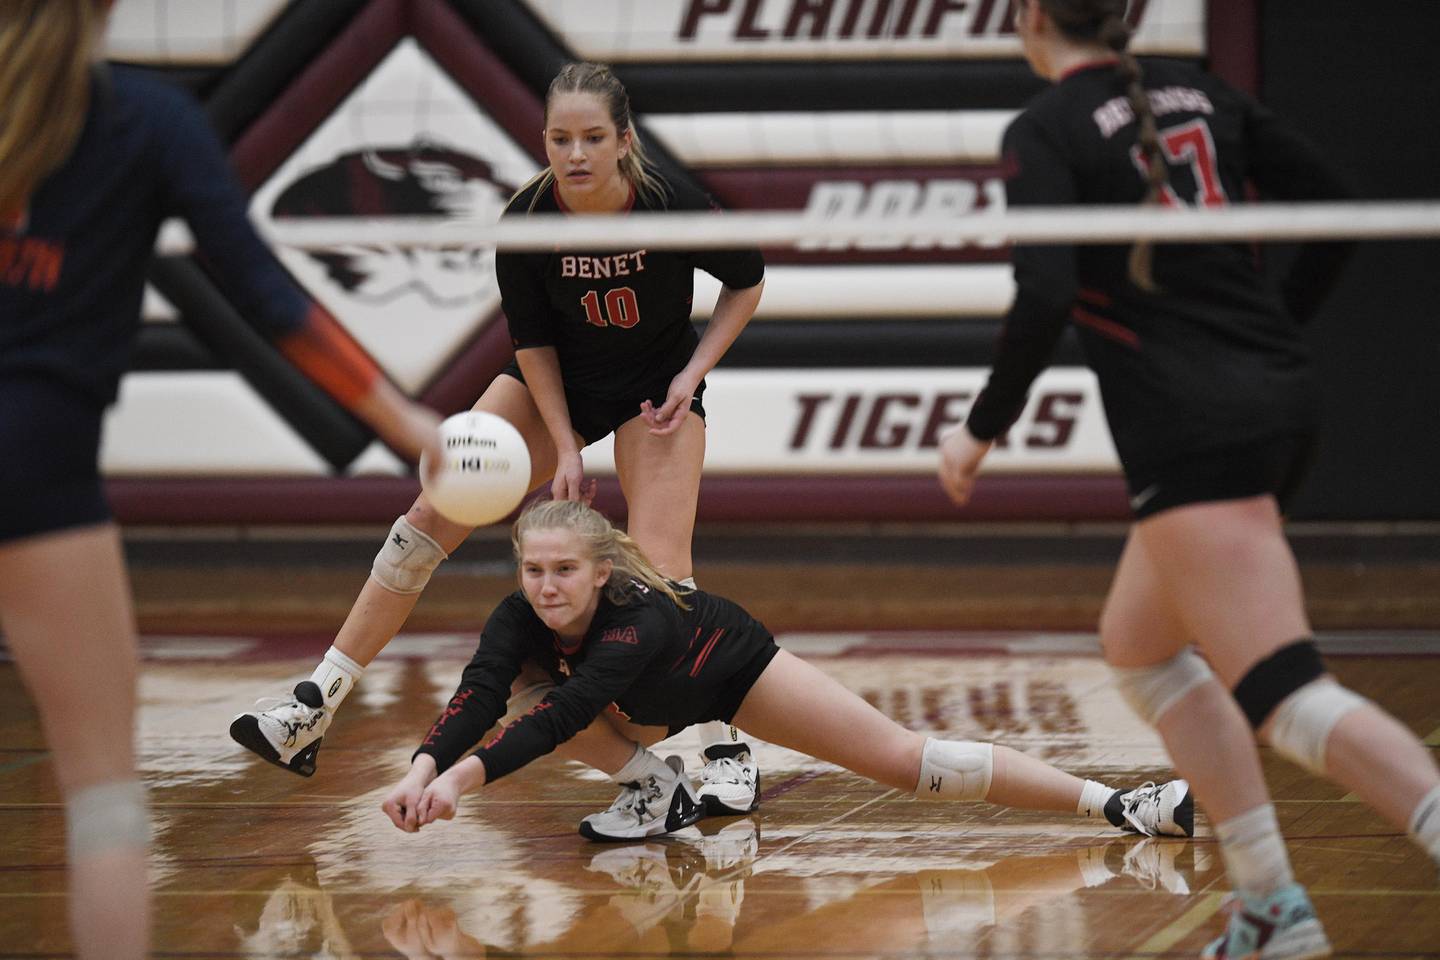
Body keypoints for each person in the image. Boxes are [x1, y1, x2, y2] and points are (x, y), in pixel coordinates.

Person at [935, 2, 1440, 958]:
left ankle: (1287, 906)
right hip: (1275, 400)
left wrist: (979, 431)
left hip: (1192, 424)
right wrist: (1270, 334)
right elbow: (1337, 209)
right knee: (1142, 649)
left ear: (1034, 18)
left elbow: (1043, 291)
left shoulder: (1045, 128)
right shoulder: (1202, 91)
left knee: (1286, 694)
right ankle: (1269, 907)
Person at [0, 3, 441, 959]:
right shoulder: (144, 122)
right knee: (105, 797)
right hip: (34, 474)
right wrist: (405, 422)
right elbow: (264, 297)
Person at [231, 61, 771, 819]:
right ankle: (314, 704)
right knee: (428, 516)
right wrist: (562, 443)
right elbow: (533, 344)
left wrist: (692, 373)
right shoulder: (526, 220)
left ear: (623, 140)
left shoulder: (670, 203)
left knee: (665, 580)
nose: (575, 154)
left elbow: (747, 280)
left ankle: (724, 745)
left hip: (654, 396)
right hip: (556, 389)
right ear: (543, 142)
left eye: (591, 138)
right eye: (559, 139)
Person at [379, 499, 1194, 847]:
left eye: (564, 571)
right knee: (522, 685)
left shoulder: (639, 613)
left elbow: (564, 718)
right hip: (639, 709)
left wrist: (460, 785)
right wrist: (425, 769)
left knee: (917, 765)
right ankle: (653, 788)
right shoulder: (520, 616)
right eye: (534, 572)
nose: (547, 588)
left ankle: (1121, 803)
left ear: (600, 572)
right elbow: (478, 694)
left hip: (731, 673)